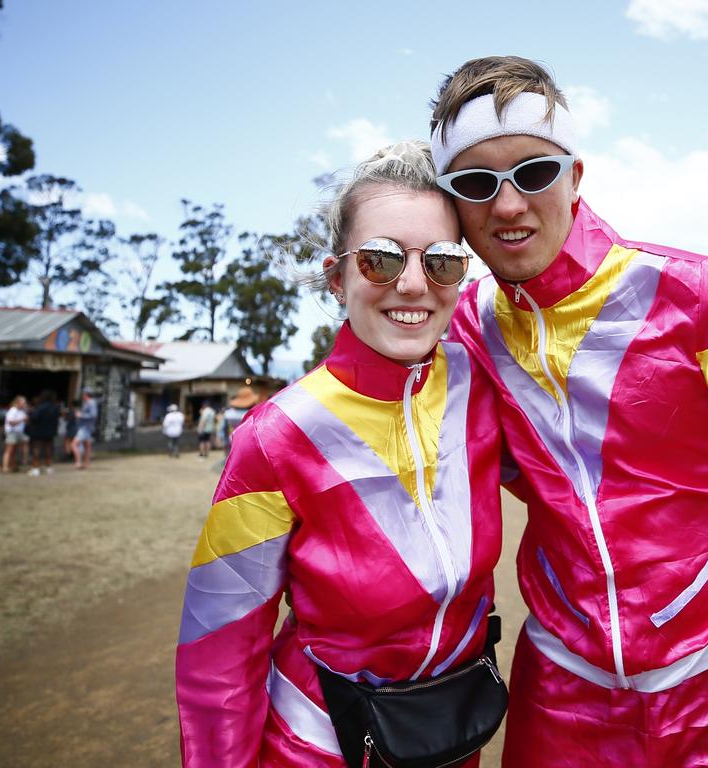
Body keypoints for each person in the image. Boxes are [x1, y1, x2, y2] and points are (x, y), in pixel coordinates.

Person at [430, 56, 708, 766]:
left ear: (576, 175)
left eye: (535, 172)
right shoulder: (465, 327)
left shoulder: (707, 294)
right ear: (454, 207)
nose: (510, 205)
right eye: (477, 184)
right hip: (561, 672)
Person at [175, 141, 503, 766]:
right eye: (380, 260)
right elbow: (218, 646)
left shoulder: (482, 383)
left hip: (454, 732)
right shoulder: (274, 435)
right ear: (337, 276)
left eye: (440, 261)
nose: (412, 282)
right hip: (320, 744)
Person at [27, 390, 60, 475]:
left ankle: (36, 468)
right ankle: (48, 467)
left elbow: (34, 418)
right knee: (48, 449)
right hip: (50, 431)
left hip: (38, 431)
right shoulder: (55, 407)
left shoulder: (40, 407)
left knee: (36, 449)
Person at [1, 395, 28, 473]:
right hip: (11, 432)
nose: (24, 404)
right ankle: (5, 467)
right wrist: (22, 419)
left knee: (15, 450)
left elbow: (26, 421)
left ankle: (14, 465)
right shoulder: (13, 410)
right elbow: (11, 422)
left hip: (19, 432)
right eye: (23, 402)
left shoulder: (22, 411)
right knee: (9, 450)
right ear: (18, 403)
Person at [73, 389, 98, 469]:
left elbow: (93, 415)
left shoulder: (91, 403)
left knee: (74, 444)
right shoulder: (89, 403)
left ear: (86, 394)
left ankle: (78, 463)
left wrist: (81, 415)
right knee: (87, 446)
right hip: (86, 427)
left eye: (83, 394)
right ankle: (86, 464)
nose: (82, 396)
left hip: (85, 427)